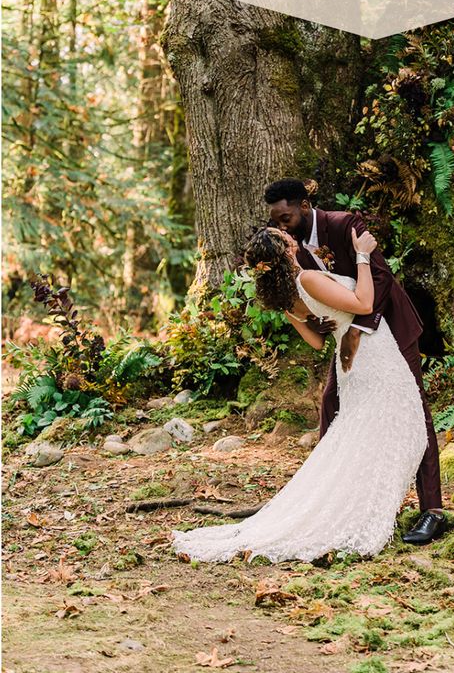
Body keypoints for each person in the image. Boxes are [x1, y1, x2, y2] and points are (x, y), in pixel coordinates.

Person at [171, 225, 427, 563]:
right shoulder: (306, 280)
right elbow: (364, 303)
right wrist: (363, 256)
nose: (292, 237)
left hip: (353, 363)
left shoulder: (286, 299)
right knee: (403, 430)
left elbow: (317, 341)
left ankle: (354, 505)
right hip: (373, 358)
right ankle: (358, 512)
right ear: (285, 249)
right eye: (285, 237)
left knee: (366, 436)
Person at [265, 177, 447, 546]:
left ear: (303, 206)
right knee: (332, 405)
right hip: (347, 343)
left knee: (416, 413)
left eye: (284, 217)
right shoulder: (290, 249)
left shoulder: (345, 224)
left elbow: (380, 277)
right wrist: (323, 325)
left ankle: (432, 511)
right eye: (275, 220)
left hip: (389, 331)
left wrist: (357, 330)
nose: (280, 226)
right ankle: (334, 499)